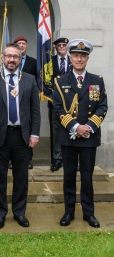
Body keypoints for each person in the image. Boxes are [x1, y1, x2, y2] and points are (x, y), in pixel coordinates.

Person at [0, 43, 40, 229]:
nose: (12, 60)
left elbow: (35, 111)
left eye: (16, 56)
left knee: (21, 178)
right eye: (9, 56)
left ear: (20, 58)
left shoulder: (30, 80)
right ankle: (0, 213)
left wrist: (34, 134)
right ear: (3, 57)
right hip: (0, 137)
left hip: (23, 136)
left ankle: (19, 212)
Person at [54, 39, 107, 228]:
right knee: (68, 176)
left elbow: (102, 107)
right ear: (70, 58)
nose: (79, 59)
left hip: (89, 138)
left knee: (87, 177)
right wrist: (76, 127)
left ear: (87, 59)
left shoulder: (97, 80)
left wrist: (88, 127)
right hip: (69, 137)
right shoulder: (60, 81)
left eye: (83, 56)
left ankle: (88, 213)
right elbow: (58, 109)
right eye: (76, 55)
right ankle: (68, 212)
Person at [10, 35, 37, 169]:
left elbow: (37, 80)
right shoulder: (10, 61)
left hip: (26, 98)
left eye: (24, 44)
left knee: (27, 128)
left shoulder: (34, 61)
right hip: (11, 98)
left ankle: (27, 159)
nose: (22, 45)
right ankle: (11, 159)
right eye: (19, 43)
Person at [49, 37, 71, 172]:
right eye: (59, 45)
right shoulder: (49, 62)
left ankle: (70, 158)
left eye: (64, 45)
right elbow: (46, 81)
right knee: (56, 131)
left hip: (72, 102)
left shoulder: (73, 60)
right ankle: (57, 159)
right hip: (55, 102)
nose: (62, 47)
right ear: (56, 47)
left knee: (72, 129)